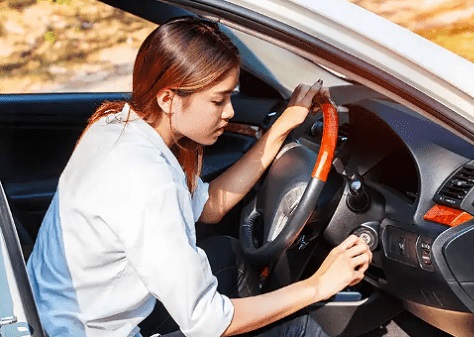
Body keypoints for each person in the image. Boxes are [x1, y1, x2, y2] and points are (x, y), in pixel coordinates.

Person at [27, 16, 372, 337]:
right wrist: (319, 285)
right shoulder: (146, 181)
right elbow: (210, 322)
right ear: (168, 98)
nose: (230, 112)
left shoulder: (116, 125)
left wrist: (280, 128)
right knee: (296, 329)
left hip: (67, 315)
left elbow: (210, 207)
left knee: (225, 253)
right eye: (218, 100)